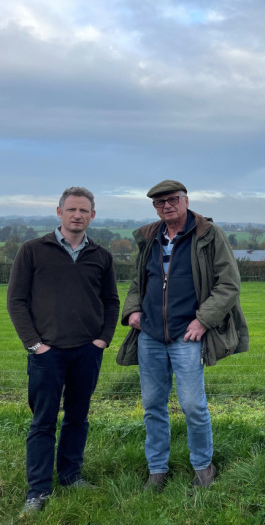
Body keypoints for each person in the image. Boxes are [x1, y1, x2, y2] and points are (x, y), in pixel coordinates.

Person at [116, 179, 248, 491]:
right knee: (153, 406)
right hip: (149, 335)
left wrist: (203, 320)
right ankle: (157, 471)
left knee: (192, 405)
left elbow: (229, 284)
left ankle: (204, 467)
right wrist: (132, 310)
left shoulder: (208, 234)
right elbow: (138, 281)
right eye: (159, 202)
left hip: (187, 335)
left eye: (172, 199)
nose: (166, 206)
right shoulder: (150, 237)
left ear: (186, 200)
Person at [7, 187, 120, 515]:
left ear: (92, 216)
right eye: (71, 209)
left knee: (77, 418)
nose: (77, 215)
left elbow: (111, 302)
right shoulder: (32, 251)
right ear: (59, 212)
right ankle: (38, 490)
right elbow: (16, 300)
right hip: (47, 354)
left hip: (87, 351)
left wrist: (102, 340)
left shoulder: (101, 256)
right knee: (43, 421)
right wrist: (34, 345)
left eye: (84, 210)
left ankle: (71, 475)